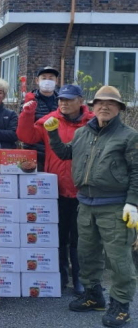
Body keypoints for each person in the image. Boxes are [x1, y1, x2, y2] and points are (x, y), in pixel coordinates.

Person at [45, 86, 138, 327]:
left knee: (118, 259)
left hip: (115, 206)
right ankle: (93, 296)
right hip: (85, 203)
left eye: (110, 103)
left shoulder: (129, 136)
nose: (104, 107)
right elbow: (66, 154)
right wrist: (54, 135)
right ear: (92, 106)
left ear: (119, 108)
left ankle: (120, 306)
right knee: (87, 254)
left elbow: (137, 171)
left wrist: (133, 203)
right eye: (99, 103)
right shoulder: (83, 133)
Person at [17, 84, 93, 295]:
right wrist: (27, 112)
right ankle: (60, 277)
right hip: (56, 190)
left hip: (84, 189)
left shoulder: (93, 122)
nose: (64, 103)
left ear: (80, 101)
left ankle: (81, 279)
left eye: (69, 100)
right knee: (58, 236)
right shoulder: (51, 120)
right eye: (61, 100)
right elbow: (27, 136)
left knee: (81, 238)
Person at [21, 66, 60, 171]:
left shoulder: (62, 101)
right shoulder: (29, 101)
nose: (47, 81)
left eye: (51, 78)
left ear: (56, 81)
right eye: (44, 78)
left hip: (57, 152)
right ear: (37, 81)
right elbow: (24, 128)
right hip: (34, 152)